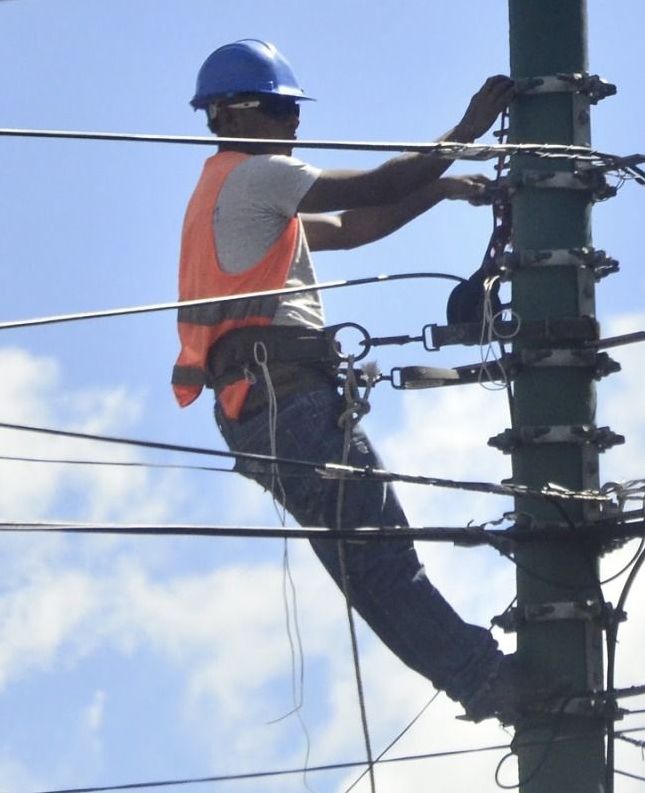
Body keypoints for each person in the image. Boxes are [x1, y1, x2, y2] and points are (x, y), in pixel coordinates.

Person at [173, 38, 531, 721]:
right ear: (233, 114)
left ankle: (481, 681)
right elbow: (374, 188)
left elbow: (349, 224)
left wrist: (445, 187)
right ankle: (485, 680)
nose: (293, 124)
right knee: (381, 562)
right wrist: (462, 134)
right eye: (280, 110)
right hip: (287, 396)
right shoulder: (254, 175)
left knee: (370, 565)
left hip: (255, 409)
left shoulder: (227, 194)